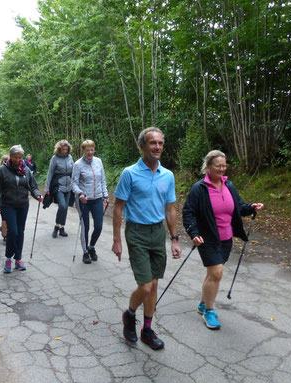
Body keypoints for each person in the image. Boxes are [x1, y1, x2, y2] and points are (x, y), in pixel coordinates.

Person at [112, 127, 182, 350]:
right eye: (153, 143)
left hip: (157, 233)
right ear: (142, 146)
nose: (157, 147)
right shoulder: (129, 173)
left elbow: (170, 209)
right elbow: (118, 207)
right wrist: (117, 239)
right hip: (136, 232)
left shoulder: (167, 175)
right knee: (146, 286)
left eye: (160, 143)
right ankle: (130, 315)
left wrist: (174, 238)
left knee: (155, 284)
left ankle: (147, 330)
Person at [182, 150, 263, 330]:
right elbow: (188, 213)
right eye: (217, 165)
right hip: (207, 238)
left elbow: (239, 207)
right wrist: (193, 233)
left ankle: (203, 303)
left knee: (213, 274)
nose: (221, 169)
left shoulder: (229, 186)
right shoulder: (199, 188)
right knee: (217, 273)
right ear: (208, 166)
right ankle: (209, 311)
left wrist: (251, 207)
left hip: (226, 238)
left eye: (224, 165)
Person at [0, 145, 43, 273]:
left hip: (23, 204)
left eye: (20, 157)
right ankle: (8, 258)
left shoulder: (26, 170)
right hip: (8, 205)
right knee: (12, 232)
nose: (18, 160)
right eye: (15, 157)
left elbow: (33, 186)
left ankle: (18, 259)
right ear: (10, 156)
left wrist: (37, 195)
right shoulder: (2, 170)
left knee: (20, 232)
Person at [72, 140, 109, 264]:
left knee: (98, 226)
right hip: (84, 200)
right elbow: (74, 183)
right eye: (87, 150)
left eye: (92, 149)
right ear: (83, 150)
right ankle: (85, 252)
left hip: (97, 198)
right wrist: (80, 194)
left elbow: (102, 180)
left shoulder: (98, 161)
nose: (90, 152)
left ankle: (91, 247)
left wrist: (105, 195)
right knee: (85, 227)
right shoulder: (78, 165)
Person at [45, 140, 74, 238]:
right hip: (58, 186)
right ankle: (57, 227)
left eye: (66, 149)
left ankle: (62, 228)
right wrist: (47, 187)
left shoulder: (70, 157)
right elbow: (50, 173)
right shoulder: (55, 158)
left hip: (69, 186)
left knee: (65, 208)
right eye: (63, 149)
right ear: (59, 149)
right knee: (62, 206)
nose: (65, 151)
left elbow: (74, 170)